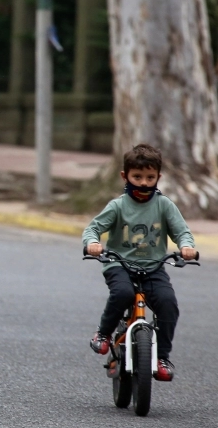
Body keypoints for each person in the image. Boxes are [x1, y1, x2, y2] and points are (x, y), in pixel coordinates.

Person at [82, 144, 197, 382]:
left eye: (149, 177)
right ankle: (103, 333)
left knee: (168, 304)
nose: (144, 183)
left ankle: (162, 357)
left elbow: (182, 232)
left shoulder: (164, 205)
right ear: (125, 176)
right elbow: (93, 228)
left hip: (154, 267)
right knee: (122, 292)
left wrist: (186, 247)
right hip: (119, 264)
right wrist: (93, 243)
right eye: (137, 177)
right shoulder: (118, 206)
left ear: (158, 177)